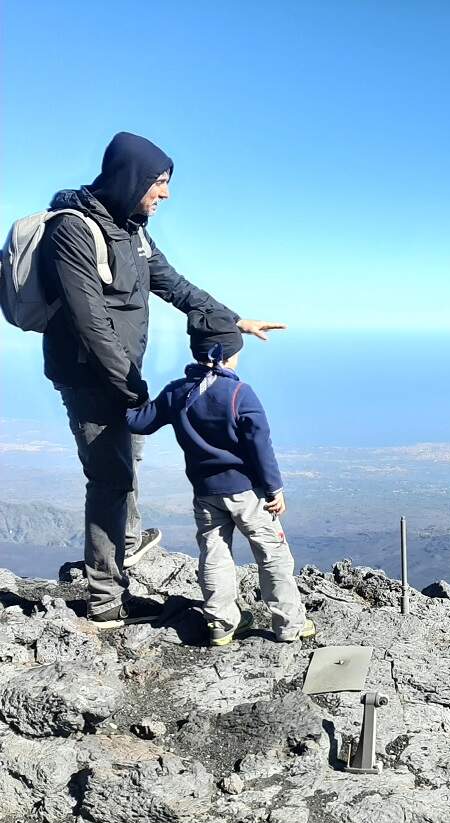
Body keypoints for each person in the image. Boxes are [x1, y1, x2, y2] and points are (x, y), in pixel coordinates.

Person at [39, 132, 285, 627]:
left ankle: (127, 543)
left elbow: (175, 286)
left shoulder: (133, 229)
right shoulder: (72, 230)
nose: (165, 194)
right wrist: (132, 391)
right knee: (109, 477)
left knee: (128, 460)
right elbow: (90, 322)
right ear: (132, 179)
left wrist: (232, 321)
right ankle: (106, 595)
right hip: (92, 378)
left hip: (124, 373)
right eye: (160, 182)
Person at [126, 311, 314, 646]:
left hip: (205, 493)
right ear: (230, 354)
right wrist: (275, 488)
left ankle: (221, 623)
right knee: (273, 555)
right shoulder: (240, 394)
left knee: (214, 553)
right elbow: (260, 446)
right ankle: (289, 625)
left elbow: (138, 423)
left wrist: (121, 387)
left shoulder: (176, 392)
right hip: (249, 494)